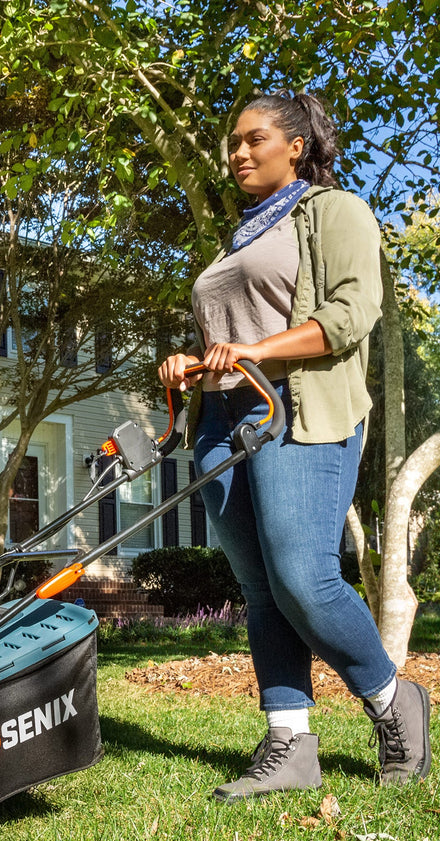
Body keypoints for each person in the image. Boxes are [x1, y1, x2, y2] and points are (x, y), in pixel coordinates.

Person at [158, 90, 432, 801]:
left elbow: (349, 313)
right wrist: (193, 361)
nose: (237, 154)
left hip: (299, 412)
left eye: (253, 140)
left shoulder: (333, 212)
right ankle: (289, 741)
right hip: (221, 421)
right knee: (260, 586)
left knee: (303, 576)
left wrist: (250, 351)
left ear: (297, 146)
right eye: (233, 144)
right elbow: (233, 334)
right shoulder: (237, 237)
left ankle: (390, 702)